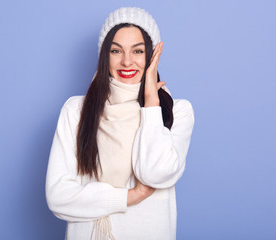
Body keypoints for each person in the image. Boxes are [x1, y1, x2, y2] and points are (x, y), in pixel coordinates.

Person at [45, 7, 195, 240]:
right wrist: (129, 196)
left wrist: (151, 104)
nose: (127, 61)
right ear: (104, 56)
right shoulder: (77, 110)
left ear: (152, 56)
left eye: (138, 51)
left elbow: (154, 173)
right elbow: (58, 196)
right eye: (116, 50)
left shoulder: (176, 112)